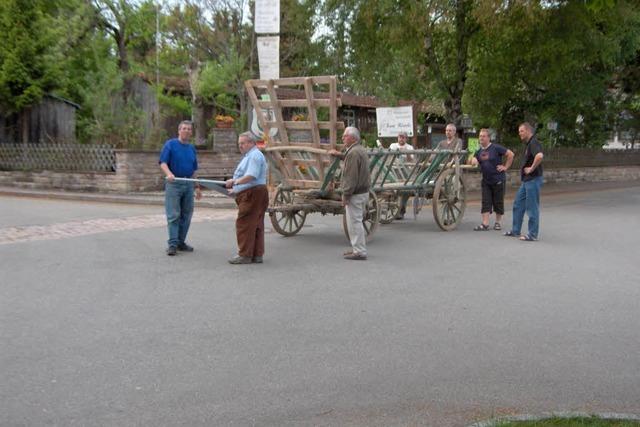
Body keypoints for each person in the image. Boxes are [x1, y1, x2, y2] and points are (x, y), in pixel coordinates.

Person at [159, 120, 202, 256]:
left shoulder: (191, 148)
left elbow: (194, 169)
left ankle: (180, 242)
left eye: (189, 129)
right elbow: (163, 163)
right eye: (184, 128)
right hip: (174, 183)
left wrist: (197, 186)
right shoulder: (170, 145)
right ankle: (172, 244)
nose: (186, 131)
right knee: (174, 215)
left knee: (187, 215)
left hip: (188, 183)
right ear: (179, 130)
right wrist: (169, 174)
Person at [225, 132, 269, 264]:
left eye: (243, 143)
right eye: (239, 144)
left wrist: (235, 182)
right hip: (256, 192)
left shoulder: (254, 155)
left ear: (251, 143)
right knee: (256, 224)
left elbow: (252, 175)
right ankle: (256, 254)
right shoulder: (251, 155)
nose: (240, 146)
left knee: (244, 224)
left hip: (253, 194)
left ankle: (245, 255)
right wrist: (235, 189)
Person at [329, 127, 370, 260]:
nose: (342, 138)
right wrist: (339, 155)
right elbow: (350, 159)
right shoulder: (359, 150)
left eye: (345, 136)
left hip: (356, 194)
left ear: (353, 138)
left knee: (354, 222)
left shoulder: (353, 153)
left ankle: (359, 251)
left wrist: (346, 195)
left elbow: (351, 177)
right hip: (362, 191)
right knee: (355, 222)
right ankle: (357, 248)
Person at [505, 122, 544, 241]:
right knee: (518, 204)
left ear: (528, 131)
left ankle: (532, 234)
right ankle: (515, 230)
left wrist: (532, 168)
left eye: (521, 131)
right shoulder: (528, 144)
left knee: (531, 207)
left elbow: (540, 156)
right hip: (526, 181)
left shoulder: (533, 142)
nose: (519, 134)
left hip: (533, 179)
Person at [470, 128, 514, 231]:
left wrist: (505, 167)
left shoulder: (496, 147)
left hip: (498, 179)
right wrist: (473, 160)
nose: (481, 138)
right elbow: (473, 159)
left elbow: (511, 154)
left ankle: (497, 222)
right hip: (486, 180)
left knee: (498, 202)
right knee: (486, 202)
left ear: (489, 138)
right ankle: (485, 224)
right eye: (480, 136)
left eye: (483, 136)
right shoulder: (479, 150)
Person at [389, 131, 415, 219]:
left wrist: (406, 152)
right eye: (400, 137)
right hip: (394, 171)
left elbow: (411, 161)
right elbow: (389, 157)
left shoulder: (409, 147)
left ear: (406, 139)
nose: (401, 139)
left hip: (405, 172)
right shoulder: (393, 145)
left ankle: (401, 209)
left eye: (403, 137)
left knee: (406, 190)